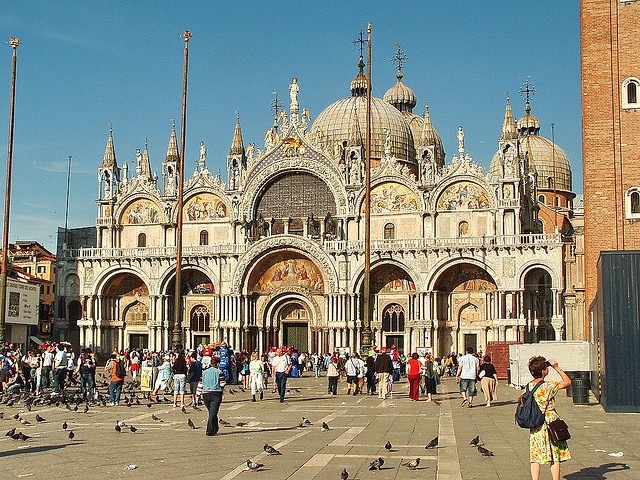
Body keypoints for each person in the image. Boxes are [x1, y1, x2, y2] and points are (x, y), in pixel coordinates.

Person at [527, 356, 572, 480]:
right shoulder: (548, 386)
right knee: (554, 454)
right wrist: (557, 367)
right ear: (544, 371)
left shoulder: (529, 386)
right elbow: (567, 382)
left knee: (535, 455)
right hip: (550, 421)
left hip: (536, 422)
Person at [201, 355, 226, 436]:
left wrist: (197, 395)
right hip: (216, 394)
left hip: (205, 394)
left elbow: (201, 383)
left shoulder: (204, 372)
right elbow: (222, 383)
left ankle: (215, 428)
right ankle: (209, 430)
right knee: (213, 413)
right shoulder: (219, 372)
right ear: (218, 364)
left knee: (212, 412)